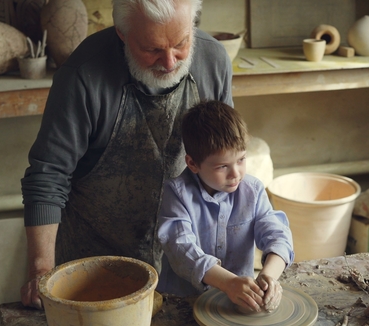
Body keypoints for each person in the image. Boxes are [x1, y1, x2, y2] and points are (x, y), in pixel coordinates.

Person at [20, 0, 233, 309]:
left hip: (186, 260)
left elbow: (226, 161)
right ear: (122, 31)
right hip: (96, 268)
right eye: (152, 49)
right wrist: (41, 272)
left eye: (181, 43)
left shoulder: (213, 61)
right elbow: (47, 177)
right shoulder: (83, 75)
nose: (170, 62)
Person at [157, 100, 294, 312]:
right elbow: (181, 247)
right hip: (182, 301)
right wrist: (229, 283)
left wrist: (269, 277)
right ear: (192, 163)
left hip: (240, 303)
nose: (235, 174)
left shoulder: (253, 190)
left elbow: (277, 234)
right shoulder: (177, 194)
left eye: (241, 160)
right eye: (222, 166)